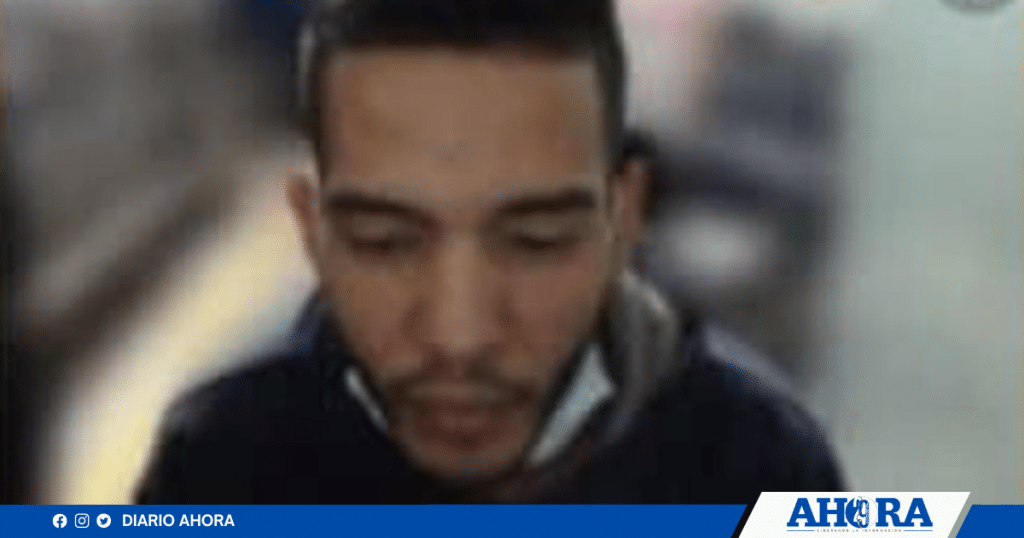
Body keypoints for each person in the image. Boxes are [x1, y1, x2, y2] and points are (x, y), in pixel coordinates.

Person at [134, 0, 844, 504]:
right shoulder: (217, 466)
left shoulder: (767, 468)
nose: (460, 336)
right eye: (386, 243)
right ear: (312, 230)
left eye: (535, 243)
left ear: (625, 217)